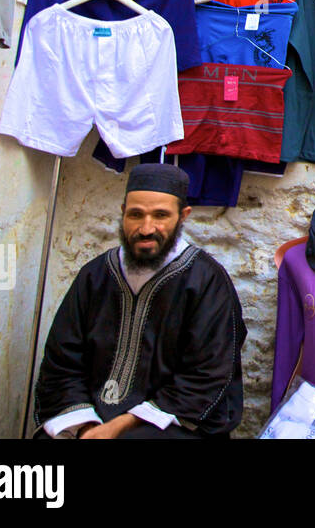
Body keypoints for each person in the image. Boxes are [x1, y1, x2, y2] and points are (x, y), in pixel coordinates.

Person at [33, 163, 247, 438]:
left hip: (170, 422)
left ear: (183, 216)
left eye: (160, 215)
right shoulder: (95, 275)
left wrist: (121, 425)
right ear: (123, 213)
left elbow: (205, 377)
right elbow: (62, 363)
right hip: (91, 415)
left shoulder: (207, 282)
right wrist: (87, 427)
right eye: (136, 215)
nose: (147, 229)